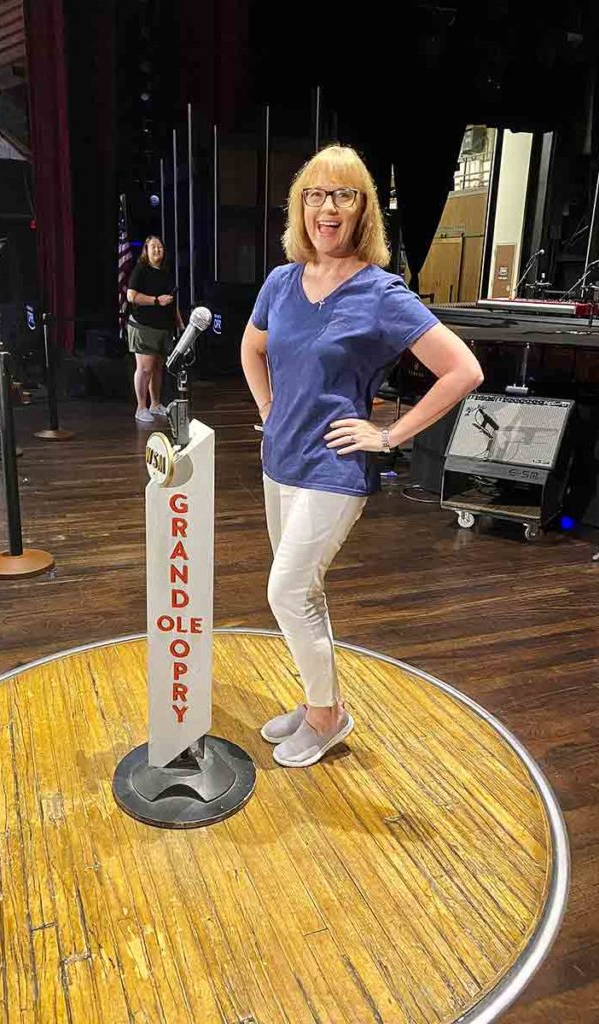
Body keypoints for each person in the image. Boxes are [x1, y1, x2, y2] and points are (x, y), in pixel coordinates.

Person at [241, 144, 483, 768]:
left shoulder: (381, 294)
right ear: (301, 206)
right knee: (305, 590)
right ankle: (317, 697)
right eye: (316, 194)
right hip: (280, 460)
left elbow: (463, 370)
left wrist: (388, 435)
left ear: (363, 210)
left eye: (343, 195)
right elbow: (252, 350)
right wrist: (270, 414)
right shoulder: (281, 281)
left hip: (336, 466)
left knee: (287, 589)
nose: (328, 207)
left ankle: (328, 716)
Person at [126, 236, 184, 424]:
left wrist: (179, 323)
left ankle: (156, 404)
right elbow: (131, 296)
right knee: (145, 368)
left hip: (163, 328)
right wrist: (156, 300)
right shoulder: (141, 270)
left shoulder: (166, 272)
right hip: (144, 327)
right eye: (153, 247)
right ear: (146, 250)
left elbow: (172, 302)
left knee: (158, 367)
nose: (157, 250)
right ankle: (141, 407)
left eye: (160, 247)